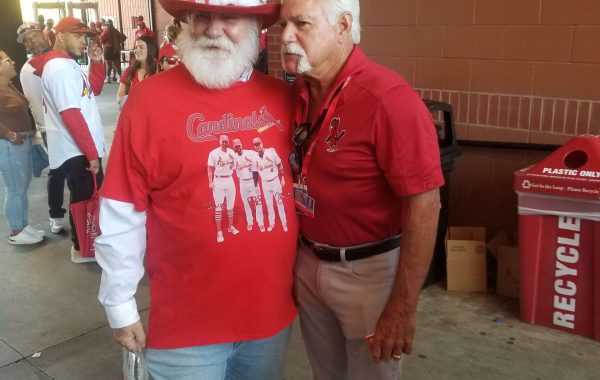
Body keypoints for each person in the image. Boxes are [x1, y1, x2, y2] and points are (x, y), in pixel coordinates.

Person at [94, 0, 297, 379]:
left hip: (270, 321)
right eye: (202, 16)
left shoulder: (285, 99)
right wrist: (119, 303)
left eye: (230, 17)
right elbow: (122, 209)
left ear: (256, 27)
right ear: (186, 23)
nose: (213, 28)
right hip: (186, 331)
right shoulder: (148, 101)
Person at [280, 0, 445, 378]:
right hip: (308, 263)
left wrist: (402, 307)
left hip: (367, 273)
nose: (286, 36)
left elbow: (425, 206)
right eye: (283, 24)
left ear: (342, 25)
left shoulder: (388, 99)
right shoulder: (299, 93)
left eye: (301, 23)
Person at [32, 16, 107, 263]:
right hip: (77, 150)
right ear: (61, 36)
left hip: (80, 148)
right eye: (77, 35)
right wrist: (91, 153)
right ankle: (82, 247)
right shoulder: (59, 67)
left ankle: (86, 244)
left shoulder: (66, 64)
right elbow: (71, 115)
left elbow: (93, 89)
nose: (83, 41)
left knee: (86, 198)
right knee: (84, 200)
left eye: (84, 36)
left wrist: (96, 62)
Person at [17, 22, 69, 234]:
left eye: (35, 35)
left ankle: (83, 213)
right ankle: (56, 215)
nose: (32, 41)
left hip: (71, 123)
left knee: (75, 171)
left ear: (44, 35)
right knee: (58, 171)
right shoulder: (29, 69)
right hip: (53, 128)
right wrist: (48, 129)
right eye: (27, 40)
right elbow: (37, 104)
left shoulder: (58, 57)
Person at [0, 51, 45, 245]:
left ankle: (23, 226)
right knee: (15, 189)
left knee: (22, 187)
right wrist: (10, 135)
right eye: (8, 60)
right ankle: (16, 231)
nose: (13, 62)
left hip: (21, 141)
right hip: (9, 144)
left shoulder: (7, 86)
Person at [207, 134, 240, 242]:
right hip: (219, 180)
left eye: (226, 141)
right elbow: (209, 168)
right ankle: (219, 231)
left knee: (230, 205)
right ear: (219, 142)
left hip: (229, 179)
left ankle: (230, 227)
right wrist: (210, 182)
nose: (224, 143)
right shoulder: (213, 153)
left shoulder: (231, 152)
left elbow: (237, 164)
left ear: (228, 142)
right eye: (223, 141)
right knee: (218, 206)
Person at [253, 137, 287, 232]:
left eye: (259, 144)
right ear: (254, 147)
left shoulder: (271, 152)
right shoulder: (254, 157)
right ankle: (271, 223)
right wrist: (255, 185)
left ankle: (284, 223)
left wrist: (283, 178)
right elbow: (255, 172)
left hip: (275, 182)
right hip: (265, 184)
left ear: (262, 143)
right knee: (269, 205)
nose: (258, 146)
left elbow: (280, 164)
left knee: (280, 203)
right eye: (255, 145)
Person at [232, 138, 264, 232]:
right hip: (242, 182)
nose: (238, 147)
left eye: (239, 145)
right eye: (236, 146)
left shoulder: (250, 153)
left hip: (252, 180)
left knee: (258, 201)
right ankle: (250, 221)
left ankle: (260, 222)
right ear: (234, 147)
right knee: (246, 203)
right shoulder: (233, 157)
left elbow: (260, 153)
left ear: (241, 145)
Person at [116, 35, 158, 108]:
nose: (137, 50)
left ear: (151, 50)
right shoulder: (129, 70)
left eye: (141, 47)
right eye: (136, 47)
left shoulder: (159, 69)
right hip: (134, 113)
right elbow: (119, 96)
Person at [100, 19, 126, 84]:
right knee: (117, 64)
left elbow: (101, 39)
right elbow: (123, 37)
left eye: (107, 24)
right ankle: (119, 77)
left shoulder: (106, 31)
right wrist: (119, 43)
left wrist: (104, 43)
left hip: (108, 49)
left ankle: (108, 77)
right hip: (116, 49)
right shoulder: (116, 31)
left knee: (109, 65)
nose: (107, 26)